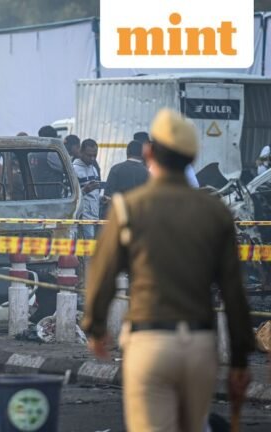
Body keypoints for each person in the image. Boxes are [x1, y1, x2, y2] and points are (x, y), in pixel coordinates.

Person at [83, 109, 254, 432]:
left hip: (150, 342)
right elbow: (234, 293)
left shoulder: (127, 208)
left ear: (149, 152)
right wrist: (240, 360)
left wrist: (95, 327)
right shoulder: (215, 212)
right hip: (200, 344)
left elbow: (101, 274)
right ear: (192, 157)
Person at [73, 139, 101, 239]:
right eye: (89, 155)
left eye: (95, 155)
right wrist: (84, 191)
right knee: (87, 248)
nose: (93, 158)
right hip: (83, 217)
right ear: (81, 152)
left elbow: (95, 194)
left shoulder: (93, 168)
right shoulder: (74, 169)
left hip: (95, 216)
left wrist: (102, 198)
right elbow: (68, 195)